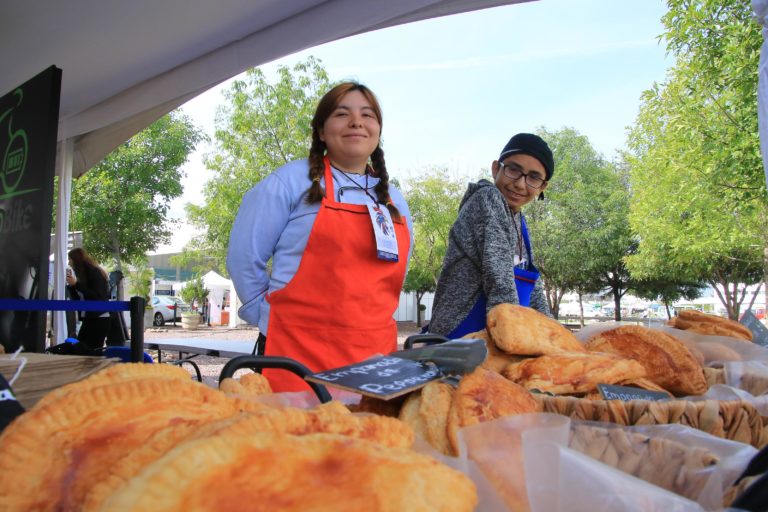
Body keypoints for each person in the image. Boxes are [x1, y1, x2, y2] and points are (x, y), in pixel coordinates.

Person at [227, 82, 413, 392]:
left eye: (367, 114)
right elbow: (244, 257)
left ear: (377, 131)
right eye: (342, 113)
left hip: (374, 356)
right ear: (322, 131)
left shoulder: (395, 200)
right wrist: (269, 317)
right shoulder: (287, 182)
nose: (356, 121)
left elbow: (397, 272)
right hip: (295, 356)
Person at [428, 133, 554, 338]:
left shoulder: (519, 221)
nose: (520, 184)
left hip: (492, 332)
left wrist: (554, 335)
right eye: (514, 170)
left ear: (542, 186)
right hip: (460, 338)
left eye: (533, 177)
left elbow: (535, 293)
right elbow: (500, 280)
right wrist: (513, 338)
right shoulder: (488, 198)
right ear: (496, 168)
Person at [66, 248, 110, 351]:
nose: (69, 262)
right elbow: (79, 299)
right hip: (90, 318)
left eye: (70, 259)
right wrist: (72, 286)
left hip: (99, 318)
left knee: (88, 351)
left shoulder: (93, 272)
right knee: (83, 350)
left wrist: (76, 285)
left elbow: (97, 296)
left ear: (76, 259)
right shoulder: (84, 274)